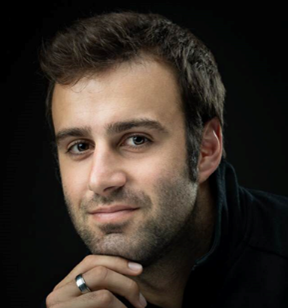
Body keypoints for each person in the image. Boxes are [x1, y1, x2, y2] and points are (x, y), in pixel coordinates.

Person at [39, 11, 288, 308]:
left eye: (136, 139)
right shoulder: (69, 300)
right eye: (80, 146)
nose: (100, 180)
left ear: (206, 150)